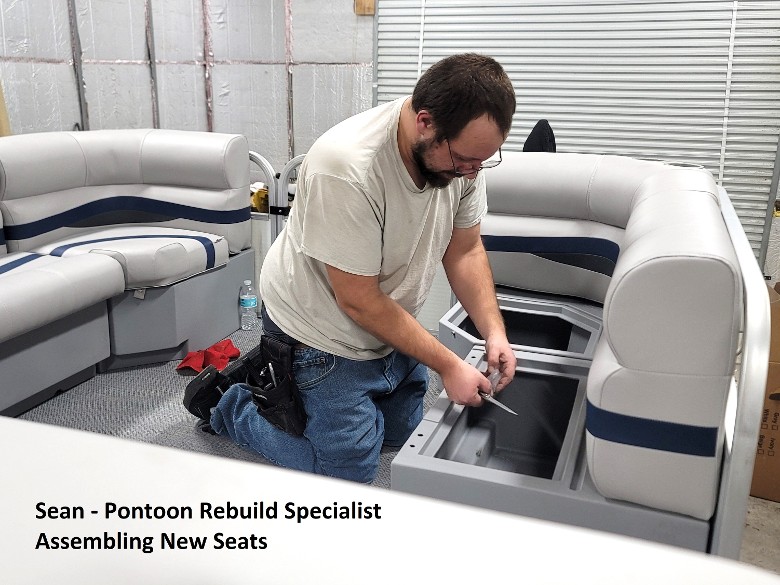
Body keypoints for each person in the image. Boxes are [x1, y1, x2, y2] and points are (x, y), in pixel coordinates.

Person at [185, 53, 518, 483]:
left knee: (399, 437)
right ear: (425, 122)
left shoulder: (462, 158)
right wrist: (449, 365)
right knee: (346, 478)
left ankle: (302, 397)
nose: (471, 173)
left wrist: (494, 331)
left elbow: (466, 250)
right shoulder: (345, 168)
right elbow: (358, 300)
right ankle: (233, 408)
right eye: (464, 160)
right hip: (321, 330)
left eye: (483, 161)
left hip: (388, 315)